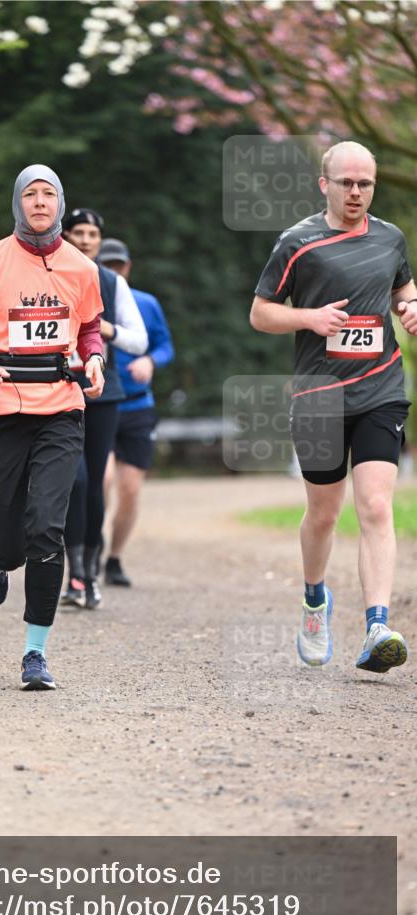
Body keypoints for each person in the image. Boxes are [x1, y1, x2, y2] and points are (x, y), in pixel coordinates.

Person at [250, 140, 417, 673]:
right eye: (346, 182)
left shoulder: (390, 238)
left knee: (376, 506)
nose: (356, 192)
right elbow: (260, 312)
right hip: (319, 396)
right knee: (323, 514)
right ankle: (314, 600)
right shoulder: (297, 242)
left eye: (365, 183)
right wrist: (309, 318)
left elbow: (403, 288)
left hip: (381, 391)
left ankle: (377, 626)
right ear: (325, 184)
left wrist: (412, 306)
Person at [0, 165, 105, 690]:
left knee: (47, 529)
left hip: (60, 409)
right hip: (0, 412)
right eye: (30, 193)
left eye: (48, 193)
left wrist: (95, 359)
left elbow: (90, 329)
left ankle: (35, 653)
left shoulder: (81, 267)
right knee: (14, 544)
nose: (39, 202)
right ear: (17, 202)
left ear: (60, 203)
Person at [61, 209, 148, 609]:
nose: (85, 240)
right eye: (78, 232)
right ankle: (73, 571)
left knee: (94, 483)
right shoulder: (46, 274)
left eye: (92, 234)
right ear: (66, 235)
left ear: (99, 240)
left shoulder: (112, 283)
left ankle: (86, 573)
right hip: (56, 389)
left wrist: (102, 328)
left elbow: (138, 341)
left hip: (101, 392)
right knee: (73, 481)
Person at [97, 237, 175, 587]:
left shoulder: (146, 303)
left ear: (127, 267)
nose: (114, 271)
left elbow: (165, 345)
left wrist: (150, 361)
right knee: (102, 480)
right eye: (107, 265)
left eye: (119, 265)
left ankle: (114, 558)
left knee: (130, 489)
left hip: (138, 406)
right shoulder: (90, 300)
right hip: (101, 404)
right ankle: (91, 543)